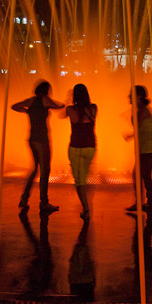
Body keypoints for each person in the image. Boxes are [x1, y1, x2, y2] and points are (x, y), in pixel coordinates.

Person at [12, 80, 64, 212]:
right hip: (42, 140)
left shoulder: (31, 101)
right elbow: (58, 106)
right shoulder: (45, 100)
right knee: (45, 170)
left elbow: (14, 106)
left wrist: (26, 111)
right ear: (46, 90)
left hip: (32, 139)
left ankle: (24, 199)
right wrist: (65, 103)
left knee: (35, 169)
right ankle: (44, 202)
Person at [125, 85, 152, 212]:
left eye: (131, 94)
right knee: (143, 176)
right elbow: (139, 129)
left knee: (140, 175)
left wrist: (130, 134)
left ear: (139, 97)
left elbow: (136, 124)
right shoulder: (144, 110)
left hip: (148, 150)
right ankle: (149, 202)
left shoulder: (142, 111)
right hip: (148, 149)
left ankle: (146, 203)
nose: (128, 97)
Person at [66, 84, 98, 219]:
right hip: (90, 147)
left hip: (75, 147)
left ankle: (86, 208)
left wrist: (68, 99)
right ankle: (86, 203)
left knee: (79, 180)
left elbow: (63, 115)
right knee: (84, 177)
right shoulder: (94, 108)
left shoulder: (70, 109)